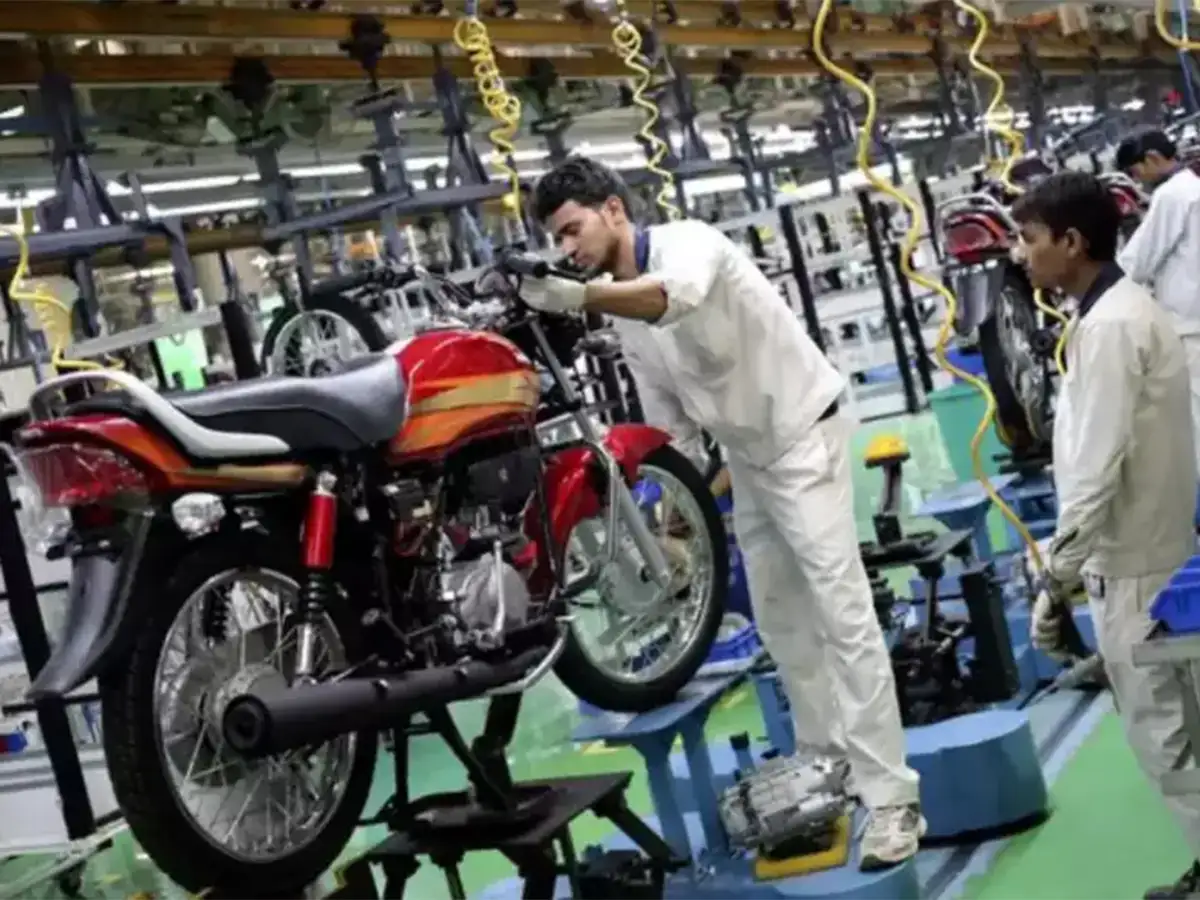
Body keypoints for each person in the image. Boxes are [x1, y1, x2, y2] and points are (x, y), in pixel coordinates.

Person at [525, 156, 922, 869]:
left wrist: (577, 295)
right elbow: (674, 434)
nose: (567, 248)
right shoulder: (627, 322)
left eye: (573, 229)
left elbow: (668, 299)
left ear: (614, 209)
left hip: (802, 435)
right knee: (781, 618)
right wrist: (674, 533)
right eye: (556, 240)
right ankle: (826, 767)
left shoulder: (689, 245)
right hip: (748, 457)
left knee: (841, 612)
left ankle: (893, 798)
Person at [1017, 172, 1200, 900]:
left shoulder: (1112, 328)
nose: (1022, 253)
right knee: (1181, 730)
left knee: (1165, 739)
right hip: (1150, 554)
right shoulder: (1118, 314)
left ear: (1072, 242)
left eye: (1030, 238)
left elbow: (1094, 472)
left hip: (1134, 569)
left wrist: (1054, 578)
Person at [1115, 127, 1200, 477]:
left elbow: (1138, 261)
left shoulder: (1172, 195)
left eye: (1135, 171)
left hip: (1191, 326)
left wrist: (1094, 289)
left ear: (1152, 159)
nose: (1137, 180)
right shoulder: (1192, 188)